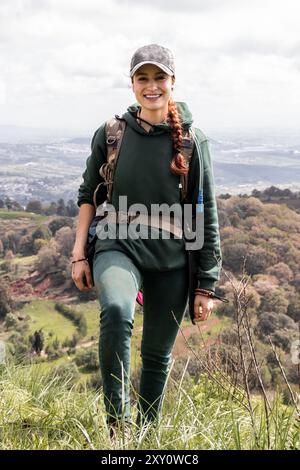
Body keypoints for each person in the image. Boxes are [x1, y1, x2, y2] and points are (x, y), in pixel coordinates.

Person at [71, 44, 222, 435]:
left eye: (159, 78)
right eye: (143, 78)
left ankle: (147, 435)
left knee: (157, 353)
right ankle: (118, 424)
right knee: (118, 311)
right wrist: (78, 254)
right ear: (132, 83)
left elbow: (205, 215)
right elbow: (89, 194)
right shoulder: (112, 133)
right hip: (116, 243)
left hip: (172, 259)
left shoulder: (192, 141)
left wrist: (206, 283)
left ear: (173, 82)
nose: (151, 86)